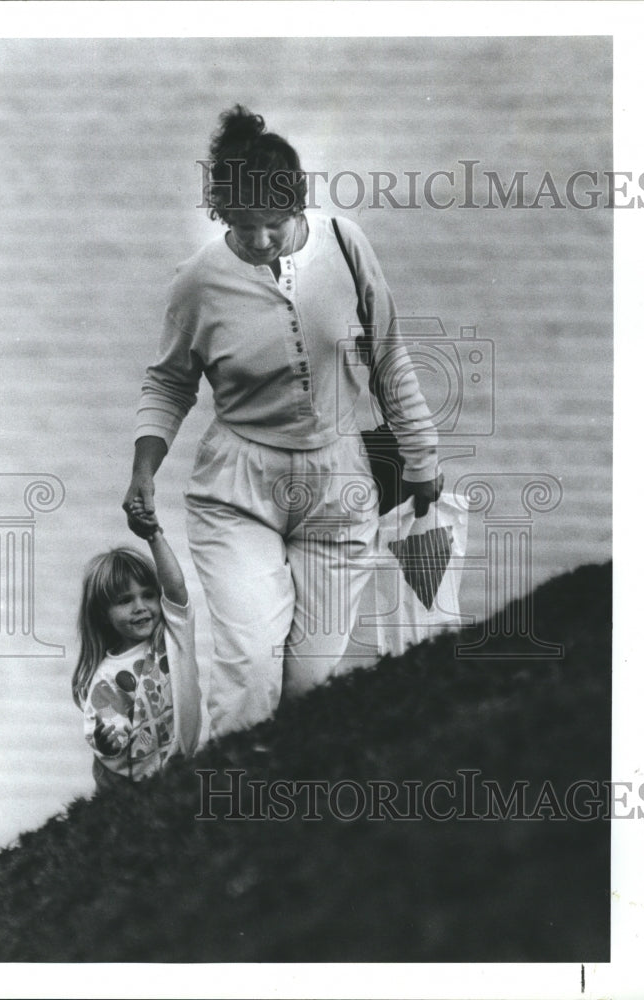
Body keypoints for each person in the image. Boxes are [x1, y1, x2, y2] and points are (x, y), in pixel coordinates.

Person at [123, 104, 441, 738]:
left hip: (339, 487)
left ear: (298, 202)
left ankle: (287, 823)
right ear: (221, 215)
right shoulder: (198, 283)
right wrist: (143, 469)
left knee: (308, 690)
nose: (262, 241)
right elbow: (168, 382)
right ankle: (219, 820)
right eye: (244, 228)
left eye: (274, 223)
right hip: (238, 491)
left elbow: (388, 357)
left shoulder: (346, 247)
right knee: (247, 676)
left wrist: (422, 459)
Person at [72, 505, 202, 791]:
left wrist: (153, 534)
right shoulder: (106, 676)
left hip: (181, 767)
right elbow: (108, 733)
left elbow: (177, 589)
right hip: (131, 783)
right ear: (102, 613)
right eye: (124, 601)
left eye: (148, 595)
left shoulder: (172, 636)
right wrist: (107, 742)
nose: (140, 607)